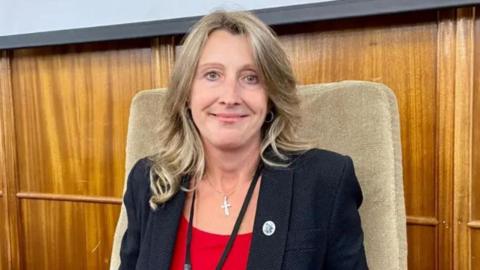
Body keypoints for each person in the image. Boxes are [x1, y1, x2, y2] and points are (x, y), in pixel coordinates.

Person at [119, 10, 368, 270]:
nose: (230, 96)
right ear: (186, 94)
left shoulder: (325, 180)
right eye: (212, 75)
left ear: (271, 96)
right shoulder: (149, 180)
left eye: (251, 78)